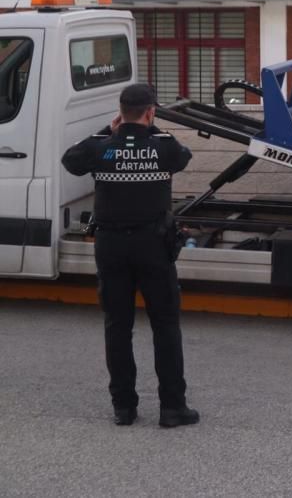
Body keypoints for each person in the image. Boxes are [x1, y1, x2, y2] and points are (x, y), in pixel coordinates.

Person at [62, 83, 199, 428]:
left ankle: (123, 407)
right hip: (153, 247)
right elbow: (183, 157)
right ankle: (172, 408)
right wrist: (146, 129)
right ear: (150, 112)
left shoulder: (99, 147)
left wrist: (111, 131)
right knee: (165, 325)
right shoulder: (164, 147)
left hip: (111, 248)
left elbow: (70, 160)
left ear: (120, 112)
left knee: (117, 326)